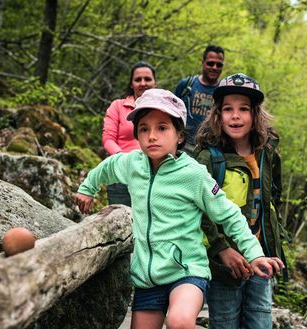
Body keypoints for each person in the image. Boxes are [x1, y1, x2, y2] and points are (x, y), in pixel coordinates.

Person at [74, 88, 284, 329]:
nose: (152, 136)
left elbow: (229, 214)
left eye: (162, 128)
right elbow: (107, 167)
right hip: (147, 278)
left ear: (180, 136)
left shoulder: (193, 174)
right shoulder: (132, 163)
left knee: (180, 321)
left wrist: (254, 254)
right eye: (144, 129)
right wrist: (87, 189)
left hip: (187, 272)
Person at [195, 73, 285, 329]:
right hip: (226, 264)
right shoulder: (208, 158)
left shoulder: (267, 153)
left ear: (255, 114)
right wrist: (222, 250)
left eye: (243, 109)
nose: (235, 116)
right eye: (228, 109)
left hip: (260, 255)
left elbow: (273, 199)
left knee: (260, 322)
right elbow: (196, 210)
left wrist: (274, 244)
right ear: (218, 115)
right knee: (225, 323)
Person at [102, 61, 156, 206]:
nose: (143, 83)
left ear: (154, 83)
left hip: (154, 175)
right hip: (121, 176)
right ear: (131, 84)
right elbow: (108, 139)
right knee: (122, 222)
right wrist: (124, 159)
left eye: (147, 79)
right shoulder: (118, 106)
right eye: (138, 79)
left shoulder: (162, 110)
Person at [174, 45, 225, 154]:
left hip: (211, 148)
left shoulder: (223, 90)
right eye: (210, 63)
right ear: (203, 62)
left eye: (219, 64)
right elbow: (173, 114)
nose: (214, 67)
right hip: (184, 145)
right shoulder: (187, 85)